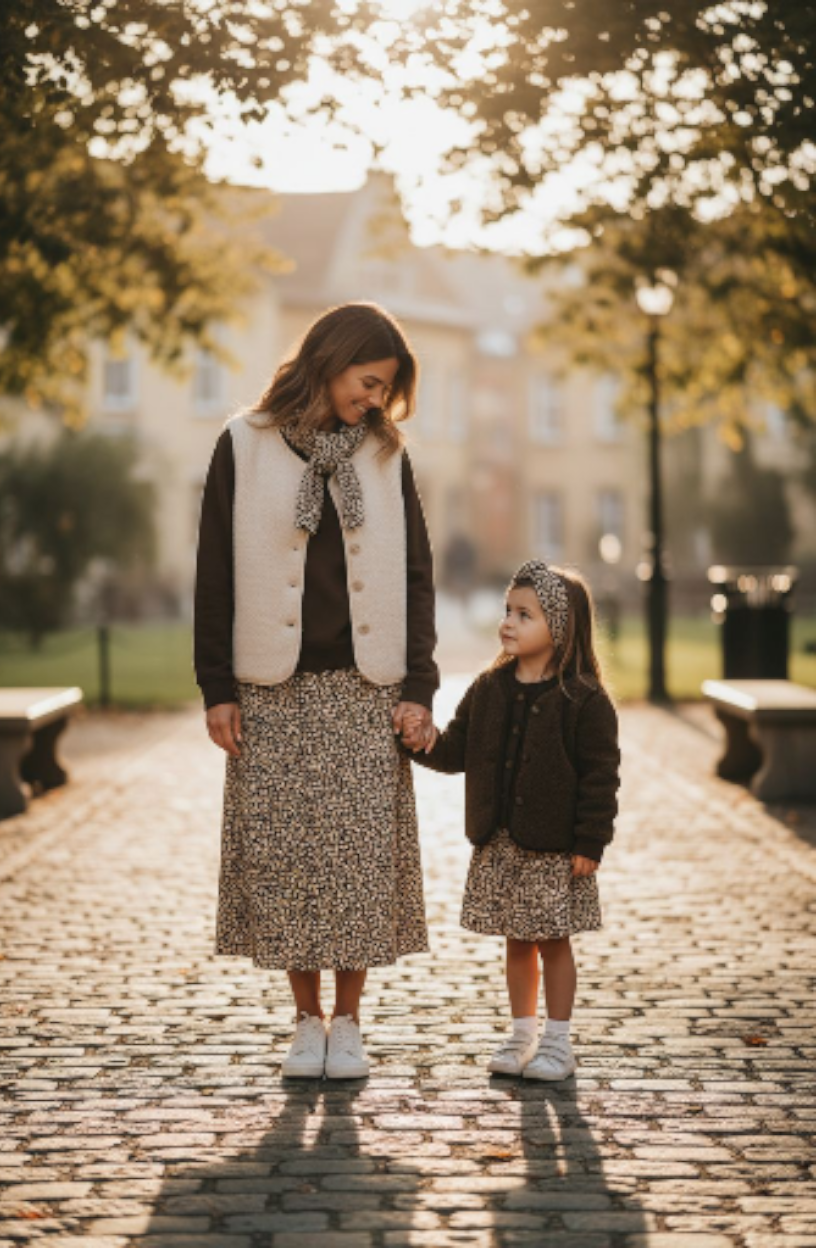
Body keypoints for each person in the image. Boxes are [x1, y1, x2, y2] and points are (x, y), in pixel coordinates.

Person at [194, 302, 438, 1080]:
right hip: (272, 688)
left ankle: (351, 1024)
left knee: (361, 867)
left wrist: (422, 686)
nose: (374, 400)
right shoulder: (243, 444)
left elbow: (415, 575)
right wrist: (216, 687)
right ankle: (306, 1022)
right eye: (369, 382)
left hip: (368, 689)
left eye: (385, 390)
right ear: (330, 361)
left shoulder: (386, 456)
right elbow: (214, 575)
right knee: (291, 864)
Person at [401, 560, 620, 1081]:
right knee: (516, 941)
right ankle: (522, 1035)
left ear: (560, 627)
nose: (508, 622)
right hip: (501, 843)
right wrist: (423, 742)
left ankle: (558, 1043)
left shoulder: (584, 699)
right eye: (507, 611)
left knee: (553, 941)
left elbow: (600, 777)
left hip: (555, 847)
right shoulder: (491, 685)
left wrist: (591, 840)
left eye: (525, 614)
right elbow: (459, 747)